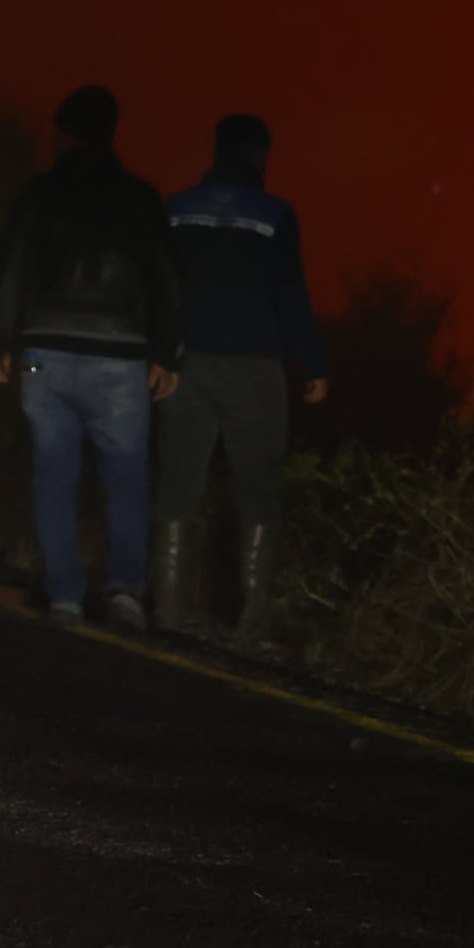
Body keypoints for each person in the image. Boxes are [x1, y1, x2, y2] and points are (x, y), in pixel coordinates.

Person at [0, 84, 182, 626]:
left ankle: (65, 594)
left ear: (63, 134)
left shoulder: (38, 194)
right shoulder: (140, 197)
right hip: (120, 356)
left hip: (45, 350)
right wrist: (167, 353)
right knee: (126, 478)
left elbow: (9, 272)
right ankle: (124, 593)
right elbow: (166, 277)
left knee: (54, 473)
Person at [154, 112, 326, 640]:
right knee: (258, 487)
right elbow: (290, 293)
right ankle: (252, 620)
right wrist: (313, 366)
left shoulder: (176, 209)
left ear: (214, 150)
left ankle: (165, 606)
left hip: (189, 365)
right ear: (260, 154)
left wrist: (161, 356)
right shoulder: (274, 214)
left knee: (179, 483)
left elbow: (160, 287)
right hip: (256, 369)